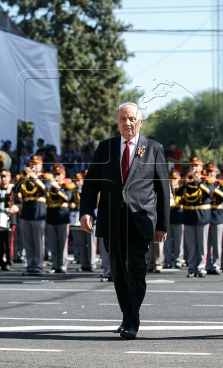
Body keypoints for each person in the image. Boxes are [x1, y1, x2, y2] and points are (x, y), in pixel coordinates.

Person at [80, 102, 170, 340]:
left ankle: (133, 319)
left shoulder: (154, 148)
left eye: (131, 119)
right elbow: (91, 184)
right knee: (118, 272)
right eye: (122, 119)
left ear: (140, 121)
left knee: (136, 269)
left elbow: (163, 190)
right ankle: (126, 315)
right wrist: (86, 211)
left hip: (141, 221)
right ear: (117, 122)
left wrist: (162, 226)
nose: (127, 123)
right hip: (112, 220)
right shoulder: (105, 148)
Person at [177, 157, 212, 278]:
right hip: (189, 216)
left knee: (202, 244)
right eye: (192, 166)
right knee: (191, 244)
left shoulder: (206, 180)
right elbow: (177, 193)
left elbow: (210, 193)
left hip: (202, 216)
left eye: (196, 166)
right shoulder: (187, 180)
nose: (193, 168)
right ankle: (191, 268)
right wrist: (186, 183)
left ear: (201, 167)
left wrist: (199, 182)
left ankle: (201, 267)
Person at [17, 155, 47, 274]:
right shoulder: (25, 178)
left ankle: (38, 265)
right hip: (26, 212)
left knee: (38, 241)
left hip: (38, 212)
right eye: (31, 164)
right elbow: (17, 190)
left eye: (36, 164)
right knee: (28, 241)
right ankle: (30, 265)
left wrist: (34, 176)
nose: (33, 166)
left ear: (41, 165)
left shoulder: (46, 177)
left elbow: (45, 188)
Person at [163, 169, 184, 269]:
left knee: (178, 241)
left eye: (175, 179)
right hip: (168, 218)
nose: (173, 181)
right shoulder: (167, 189)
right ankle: (167, 260)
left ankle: (178, 260)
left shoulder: (182, 189)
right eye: (171, 179)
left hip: (179, 218)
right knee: (167, 242)